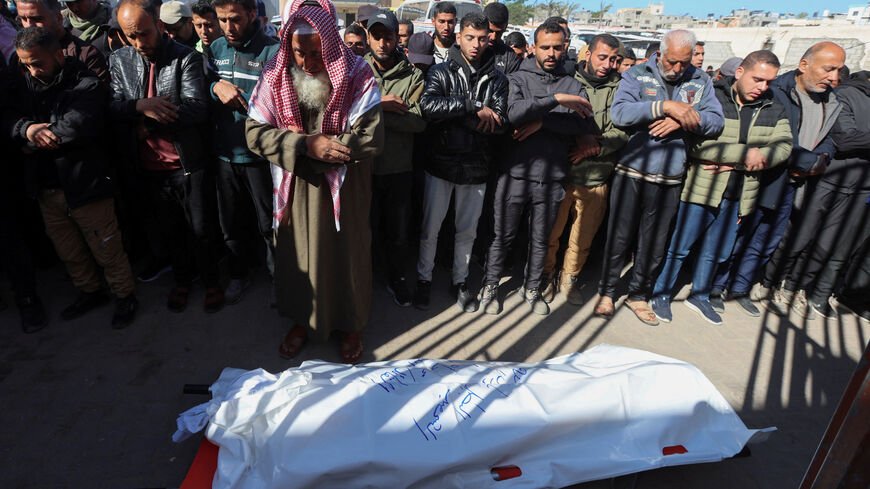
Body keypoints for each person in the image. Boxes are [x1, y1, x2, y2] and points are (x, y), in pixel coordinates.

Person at [245, 0, 384, 363]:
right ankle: (303, 322)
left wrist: (328, 150)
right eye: (299, 53)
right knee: (299, 257)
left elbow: (370, 136)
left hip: (347, 187)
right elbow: (254, 132)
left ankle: (350, 324)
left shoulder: (358, 73)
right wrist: (303, 145)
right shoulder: (276, 74)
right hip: (296, 185)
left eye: (317, 53)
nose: (308, 63)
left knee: (347, 256)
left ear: (332, 45)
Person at [651, 51, 792, 325]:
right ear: (739, 72)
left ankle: (700, 295)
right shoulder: (710, 97)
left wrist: (745, 162)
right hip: (702, 188)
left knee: (716, 251)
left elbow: (784, 146)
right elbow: (693, 141)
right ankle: (662, 293)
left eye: (769, 82)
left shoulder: (774, 106)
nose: (762, 87)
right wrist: (743, 155)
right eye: (757, 79)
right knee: (679, 247)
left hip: (741, 192)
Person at [11, 26, 138, 328]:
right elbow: (9, 117)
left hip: (86, 184)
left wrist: (30, 141)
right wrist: (26, 128)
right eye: (25, 64)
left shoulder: (87, 83)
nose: (31, 70)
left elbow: (74, 127)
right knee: (69, 251)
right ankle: (90, 291)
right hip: (47, 188)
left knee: (106, 247)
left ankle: (124, 295)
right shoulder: (21, 85)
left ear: (58, 55)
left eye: (37, 63)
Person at [597, 29, 724, 326]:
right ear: (660, 54)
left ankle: (638, 295)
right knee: (619, 237)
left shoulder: (700, 80)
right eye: (672, 62)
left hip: (669, 176)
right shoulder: (637, 75)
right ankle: (606, 291)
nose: (677, 69)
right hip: (632, 170)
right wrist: (664, 107)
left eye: (683, 62)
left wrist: (683, 120)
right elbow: (620, 113)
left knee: (654, 243)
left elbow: (716, 122)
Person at [110, 0, 224, 314]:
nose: (138, 43)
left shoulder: (185, 58)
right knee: (169, 229)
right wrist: (140, 107)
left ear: (159, 26)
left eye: (144, 34)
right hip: (148, 167)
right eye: (130, 36)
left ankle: (212, 282)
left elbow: (196, 107)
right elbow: (113, 105)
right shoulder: (120, 60)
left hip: (187, 163)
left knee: (201, 228)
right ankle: (182, 281)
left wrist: (145, 121)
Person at [479, 19, 594, 316]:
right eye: (545, 47)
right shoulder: (517, 78)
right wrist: (556, 101)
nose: (552, 53)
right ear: (533, 48)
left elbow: (583, 123)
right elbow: (514, 113)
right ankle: (491, 284)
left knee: (541, 238)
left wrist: (544, 120)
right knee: (501, 234)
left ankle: (532, 287)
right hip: (515, 171)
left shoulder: (573, 84)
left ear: (566, 47)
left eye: (558, 47)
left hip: (553, 175)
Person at [734, 42, 844, 318]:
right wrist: (808, 162)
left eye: (838, 71)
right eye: (829, 69)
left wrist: (821, 161)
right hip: (766, 178)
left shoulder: (830, 101)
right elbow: (778, 140)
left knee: (768, 241)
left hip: (798, 183)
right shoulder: (777, 92)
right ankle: (718, 286)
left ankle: (742, 287)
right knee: (743, 236)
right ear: (804, 66)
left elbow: (829, 139)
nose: (834, 78)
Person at [415, 12, 508, 312]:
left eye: (482, 38)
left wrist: (458, 116)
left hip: (476, 166)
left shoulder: (498, 77)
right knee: (431, 228)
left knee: (467, 231)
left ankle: (460, 281)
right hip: (441, 163)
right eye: (470, 37)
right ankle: (424, 279)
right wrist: (472, 107)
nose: (476, 44)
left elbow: (501, 122)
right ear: (459, 37)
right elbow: (428, 107)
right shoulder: (441, 72)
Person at [765, 66, 869, 319]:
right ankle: (770, 285)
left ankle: (797, 288)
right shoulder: (845, 93)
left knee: (829, 246)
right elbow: (845, 139)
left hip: (861, 185)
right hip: (829, 178)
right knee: (800, 237)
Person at [543, 33, 626, 306]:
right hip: (562, 174)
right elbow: (551, 119)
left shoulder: (621, 90)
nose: (607, 64)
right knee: (550, 234)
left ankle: (569, 279)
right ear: (587, 54)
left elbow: (623, 132)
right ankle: (546, 276)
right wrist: (577, 137)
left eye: (614, 59)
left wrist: (595, 147)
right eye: (602, 57)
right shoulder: (567, 81)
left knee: (582, 239)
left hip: (596, 176)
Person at [209, 0, 279, 305]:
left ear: (252, 14)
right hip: (225, 155)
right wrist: (215, 88)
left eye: (234, 19)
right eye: (222, 19)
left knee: (269, 225)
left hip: (260, 158)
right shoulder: (215, 49)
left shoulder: (272, 51)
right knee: (231, 223)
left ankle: (281, 279)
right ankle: (239, 274)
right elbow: (203, 84)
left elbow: (279, 102)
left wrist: (244, 97)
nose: (228, 27)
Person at [363, 9, 426, 308]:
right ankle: (363, 278)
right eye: (376, 36)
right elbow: (346, 116)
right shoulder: (357, 71)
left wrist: (372, 112)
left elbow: (418, 121)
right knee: (364, 229)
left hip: (398, 168)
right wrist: (382, 105)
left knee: (398, 234)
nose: (382, 43)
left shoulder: (412, 75)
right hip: (363, 167)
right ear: (368, 37)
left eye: (388, 37)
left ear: (396, 39)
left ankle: (397, 278)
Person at [15, 0, 108, 81]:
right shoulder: (21, 55)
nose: (29, 25)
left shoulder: (86, 55)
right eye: (23, 19)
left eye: (37, 19)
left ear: (58, 18)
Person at [482, 2, 519, 75]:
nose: (493, 37)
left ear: (505, 27)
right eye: (490, 31)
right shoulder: (468, 48)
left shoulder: (510, 57)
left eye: (499, 33)